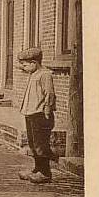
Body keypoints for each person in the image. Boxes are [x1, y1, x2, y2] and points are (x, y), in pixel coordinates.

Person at [16, 47, 57, 184]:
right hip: (30, 113)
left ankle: (45, 173)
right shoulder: (33, 74)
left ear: (34, 62)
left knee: (41, 144)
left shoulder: (44, 74)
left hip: (40, 114)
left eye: (25, 65)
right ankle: (37, 169)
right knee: (33, 143)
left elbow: (49, 94)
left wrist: (47, 109)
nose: (23, 67)